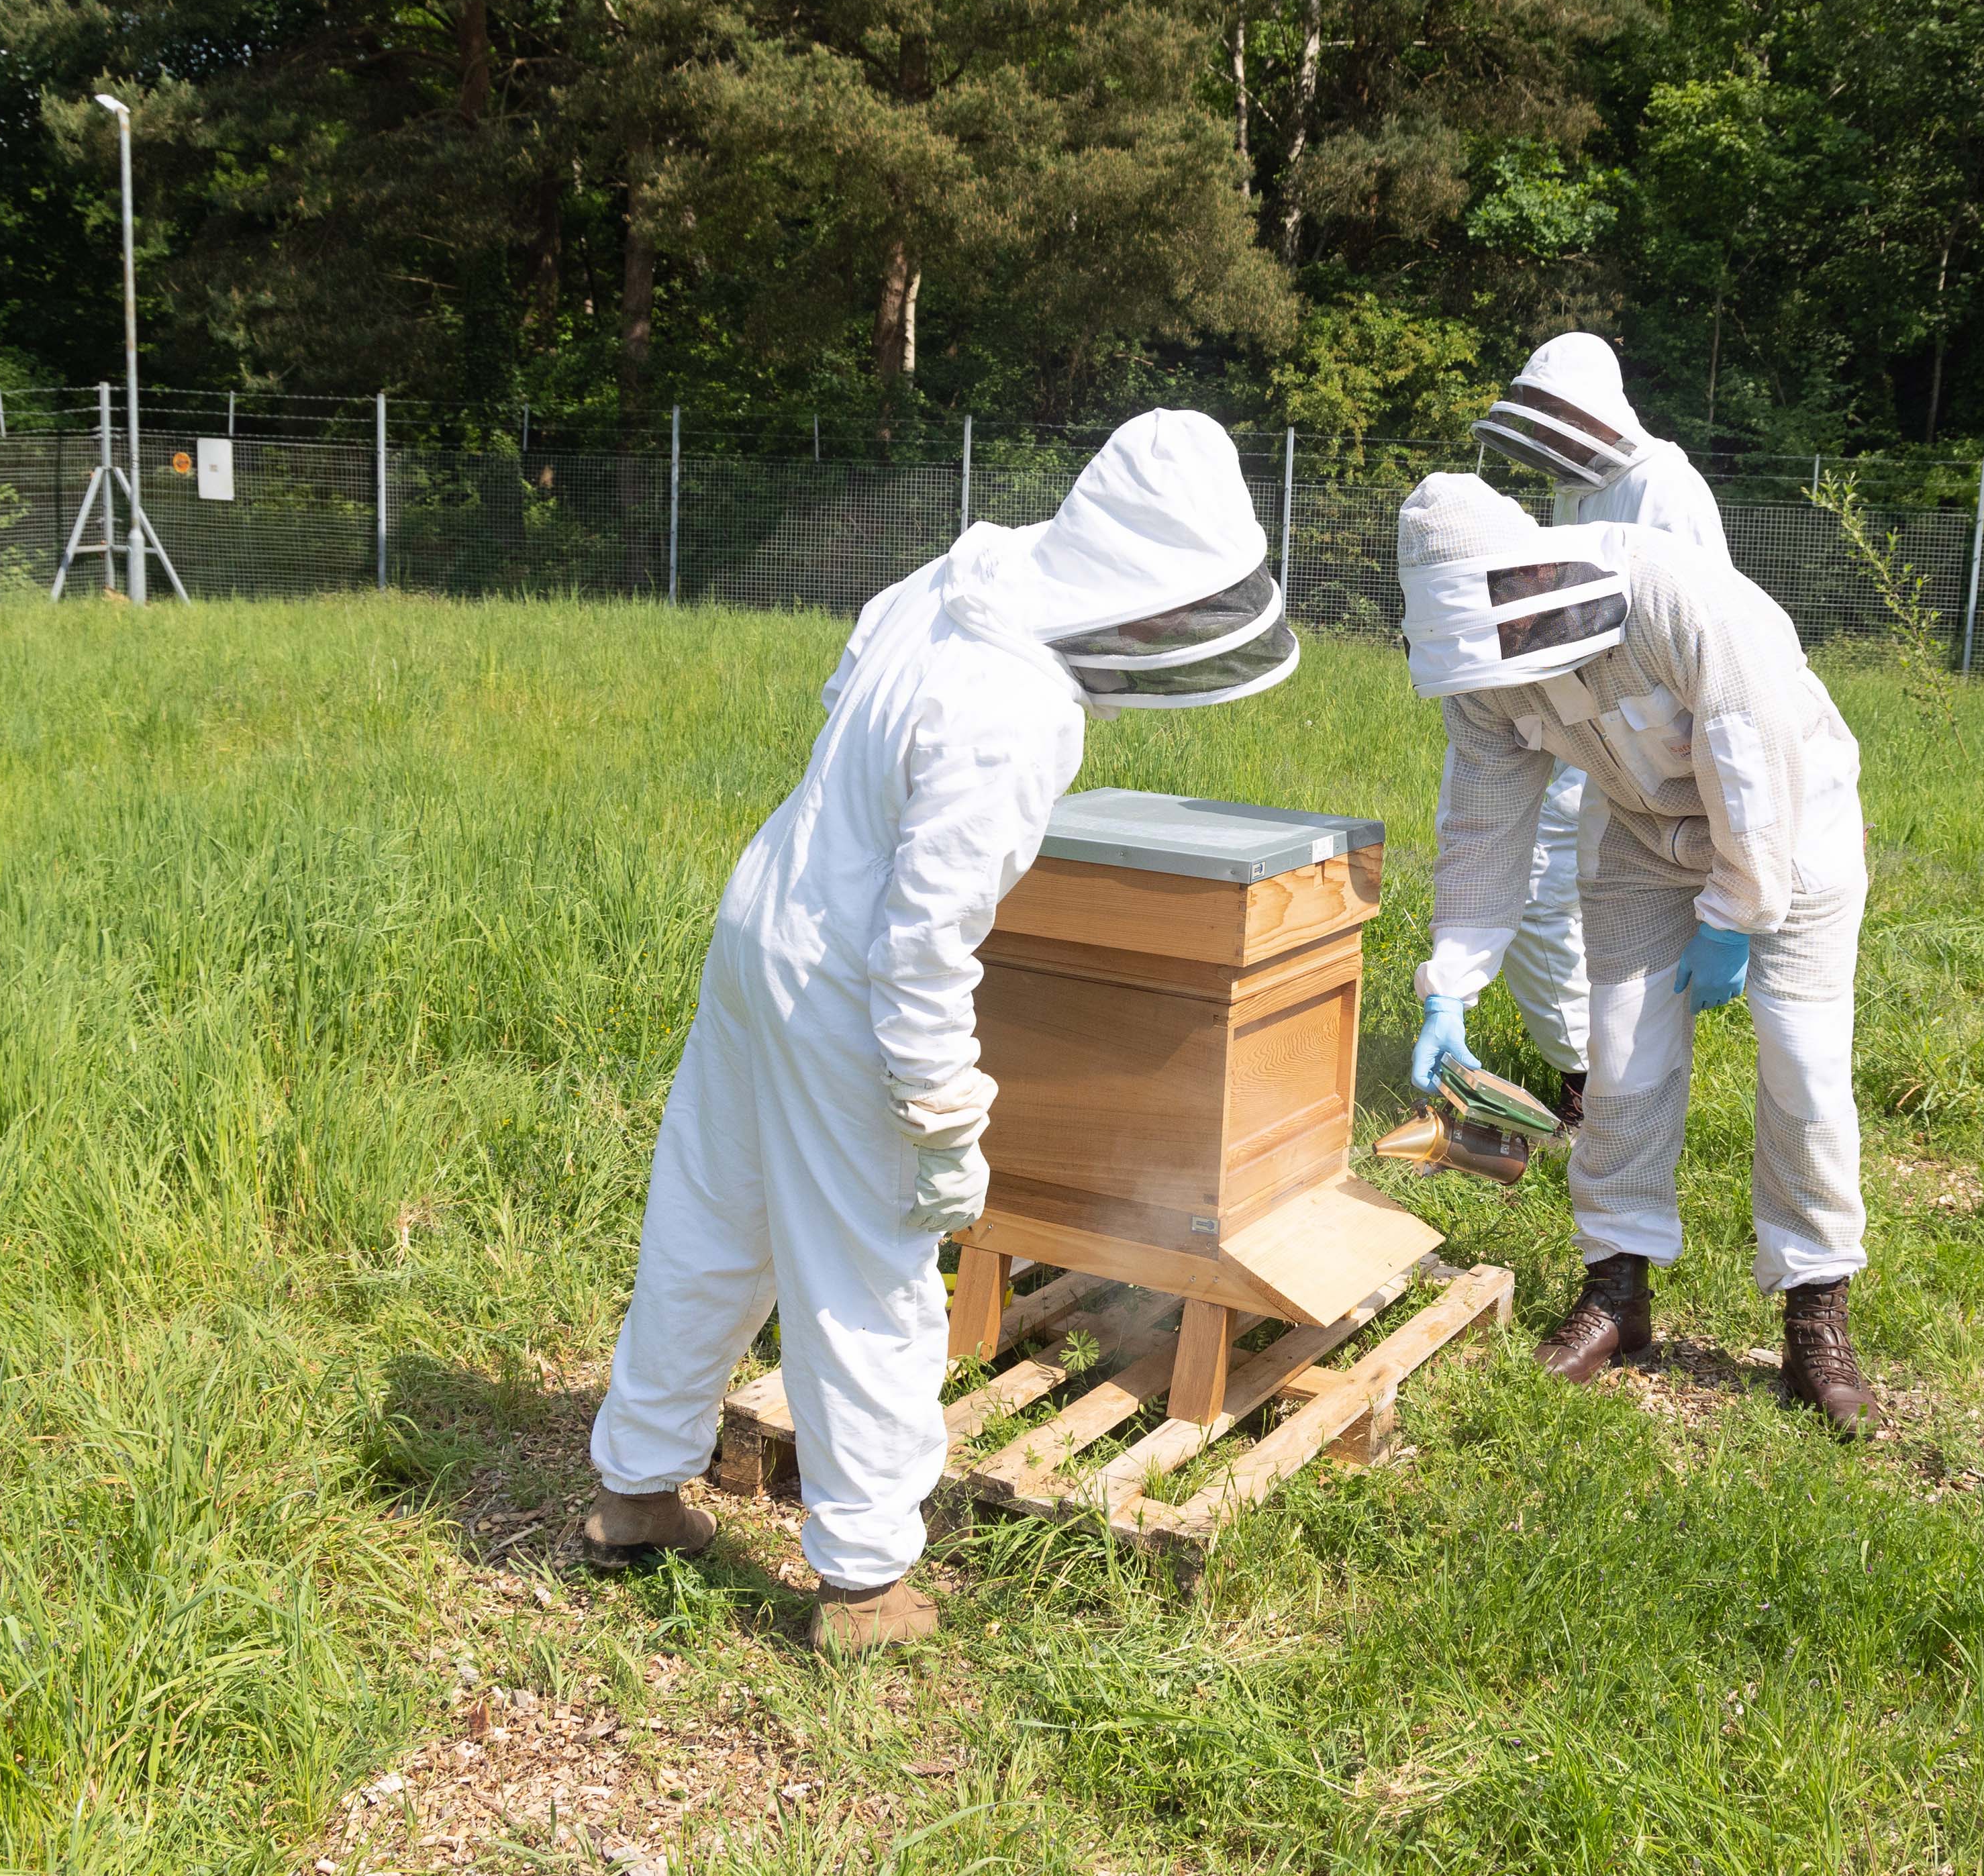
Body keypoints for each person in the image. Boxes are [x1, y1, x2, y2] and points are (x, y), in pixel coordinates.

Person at [579, 411, 1299, 1651]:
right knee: (870, 1271)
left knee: (713, 1216)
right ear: (1139, 593)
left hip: (762, 918)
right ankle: (865, 1584)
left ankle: (632, 1491)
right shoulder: (1020, 706)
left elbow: (842, 704)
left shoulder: (964, 575)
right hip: (842, 981)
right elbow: (917, 947)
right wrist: (939, 1119)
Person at [1396, 471, 1878, 1432]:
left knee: (1804, 1065)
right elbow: (1484, 826)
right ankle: (1615, 1295)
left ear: (1531, 580)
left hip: (1794, 833)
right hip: (1642, 845)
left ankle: (1813, 1316)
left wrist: (1734, 915)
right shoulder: (1481, 679)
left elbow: (1754, 772)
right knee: (1617, 1061)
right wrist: (1448, 985)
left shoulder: (1673, 599)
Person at [1468, 334, 1732, 1118]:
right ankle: (1588, 1071)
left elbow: (1706, 642)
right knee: (1547, 887)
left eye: (1556, 422)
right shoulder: (1576, 490)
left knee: (1590, 891)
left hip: (1655, 737)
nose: (1548, 443)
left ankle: (1609, 1084)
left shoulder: (1667, 491)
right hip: (1581, 718)